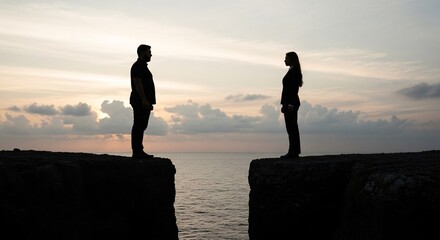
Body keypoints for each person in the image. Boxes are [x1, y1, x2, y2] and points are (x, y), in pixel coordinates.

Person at [130, 44, 156, 159]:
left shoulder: (142, 66)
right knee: (139, 125)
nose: (151, 54)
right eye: (149, 52)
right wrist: (144, 100)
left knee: (141, 125)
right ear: (143, 52)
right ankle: (137, 151)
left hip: (144, 101)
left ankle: (138, 150)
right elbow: (137, 83)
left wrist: (149, 102)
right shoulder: (138, 66)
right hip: (140, 101)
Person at [280, 51, 303, 158]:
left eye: (286, 58)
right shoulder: (292, 71)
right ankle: (293, 151)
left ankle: (293, 152)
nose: (285, 60)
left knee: (292, 128)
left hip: (291, 103)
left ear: (291, 59)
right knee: (291, 128)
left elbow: (293, 90)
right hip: (288, 103)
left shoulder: (294, 72)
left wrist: (290, 104)